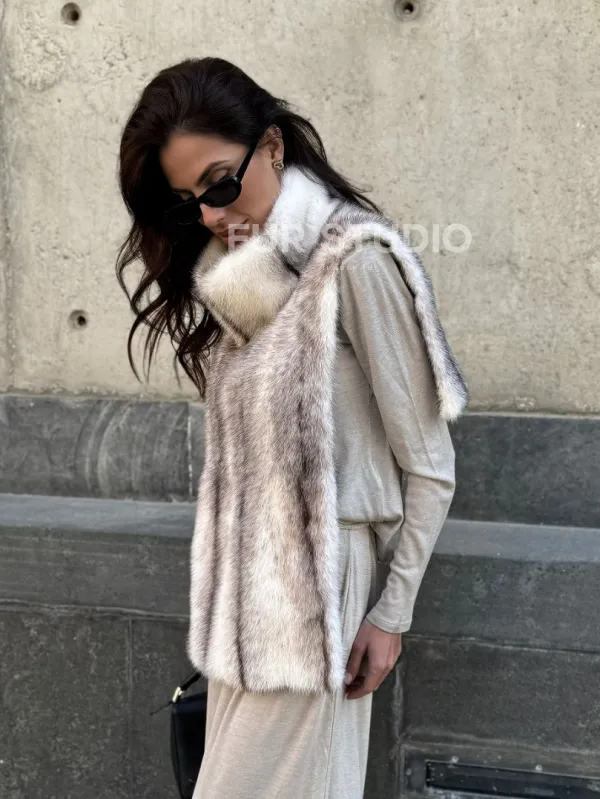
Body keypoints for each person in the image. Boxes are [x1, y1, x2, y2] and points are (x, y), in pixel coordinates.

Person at [116, 56, 468, 799]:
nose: (211, 215)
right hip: (244, 601)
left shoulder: (355, 261)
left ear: (272, 146)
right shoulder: (241, 284)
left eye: (220, 183)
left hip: (321, 588)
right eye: (190, 201)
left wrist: (391, 613)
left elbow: (430, 463)